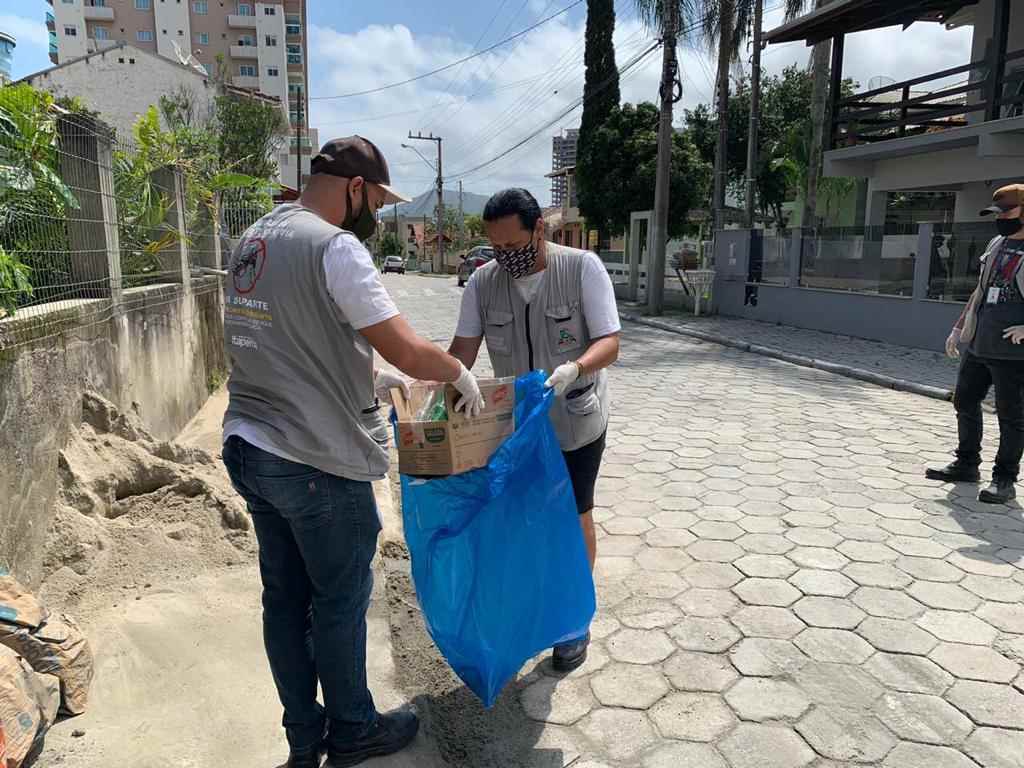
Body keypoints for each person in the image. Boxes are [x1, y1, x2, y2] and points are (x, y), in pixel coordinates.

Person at [220, 136, 485, 768]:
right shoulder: (335, 246)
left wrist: (366, 378)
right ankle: (353, 731)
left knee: (283, 601)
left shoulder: (253, 238)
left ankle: (304, 739)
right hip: (315, 461)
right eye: (377, 203)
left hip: (251, 447)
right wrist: (456, 372)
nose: (376, 218)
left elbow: (292, 337)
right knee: (338, 603)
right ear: (356, 189)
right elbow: (405, 347)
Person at [448, 188, 620, 672]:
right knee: (524, 516)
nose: (505, 257)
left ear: (539, 229)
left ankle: (571, 623)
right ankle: (533, 610)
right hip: (518, 429)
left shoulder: (582, 268)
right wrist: (436, 389)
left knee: (573, 512)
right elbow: (461, 351)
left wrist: (576, 368)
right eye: (496, 248)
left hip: (574, 420)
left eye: (513, 245)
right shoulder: (484, 283)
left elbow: (611, 342)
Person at [928, 184, 1024, 504]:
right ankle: (967, 464)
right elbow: (979, 291)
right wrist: (957, 329)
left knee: (1011, 416)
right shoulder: (997, 243)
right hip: (980, 342)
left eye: (1007, 213)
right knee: (964, 401)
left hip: (1014, 352)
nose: (1001, 220)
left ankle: (1005, 479)